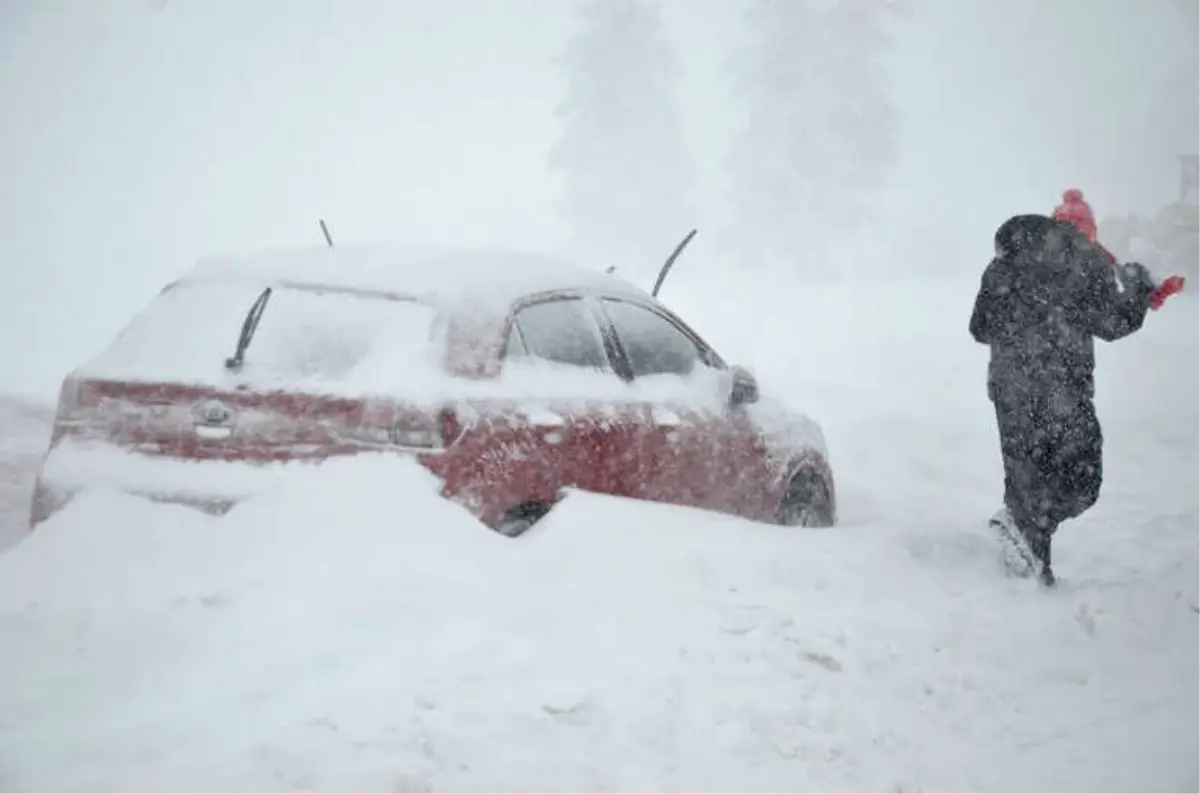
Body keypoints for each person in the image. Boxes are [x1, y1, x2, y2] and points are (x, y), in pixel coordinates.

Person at [969, 190, 1157, 586]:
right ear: (1085, 232)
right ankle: (1023, 533)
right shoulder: (1084, 261)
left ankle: (1032, 569)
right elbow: (1114, 323)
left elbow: (979, 328)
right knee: (1081, 483)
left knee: (1026, 482)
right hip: (1062, 394)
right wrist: (1139, 288)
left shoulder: (1003, 264)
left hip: (1010, 392)